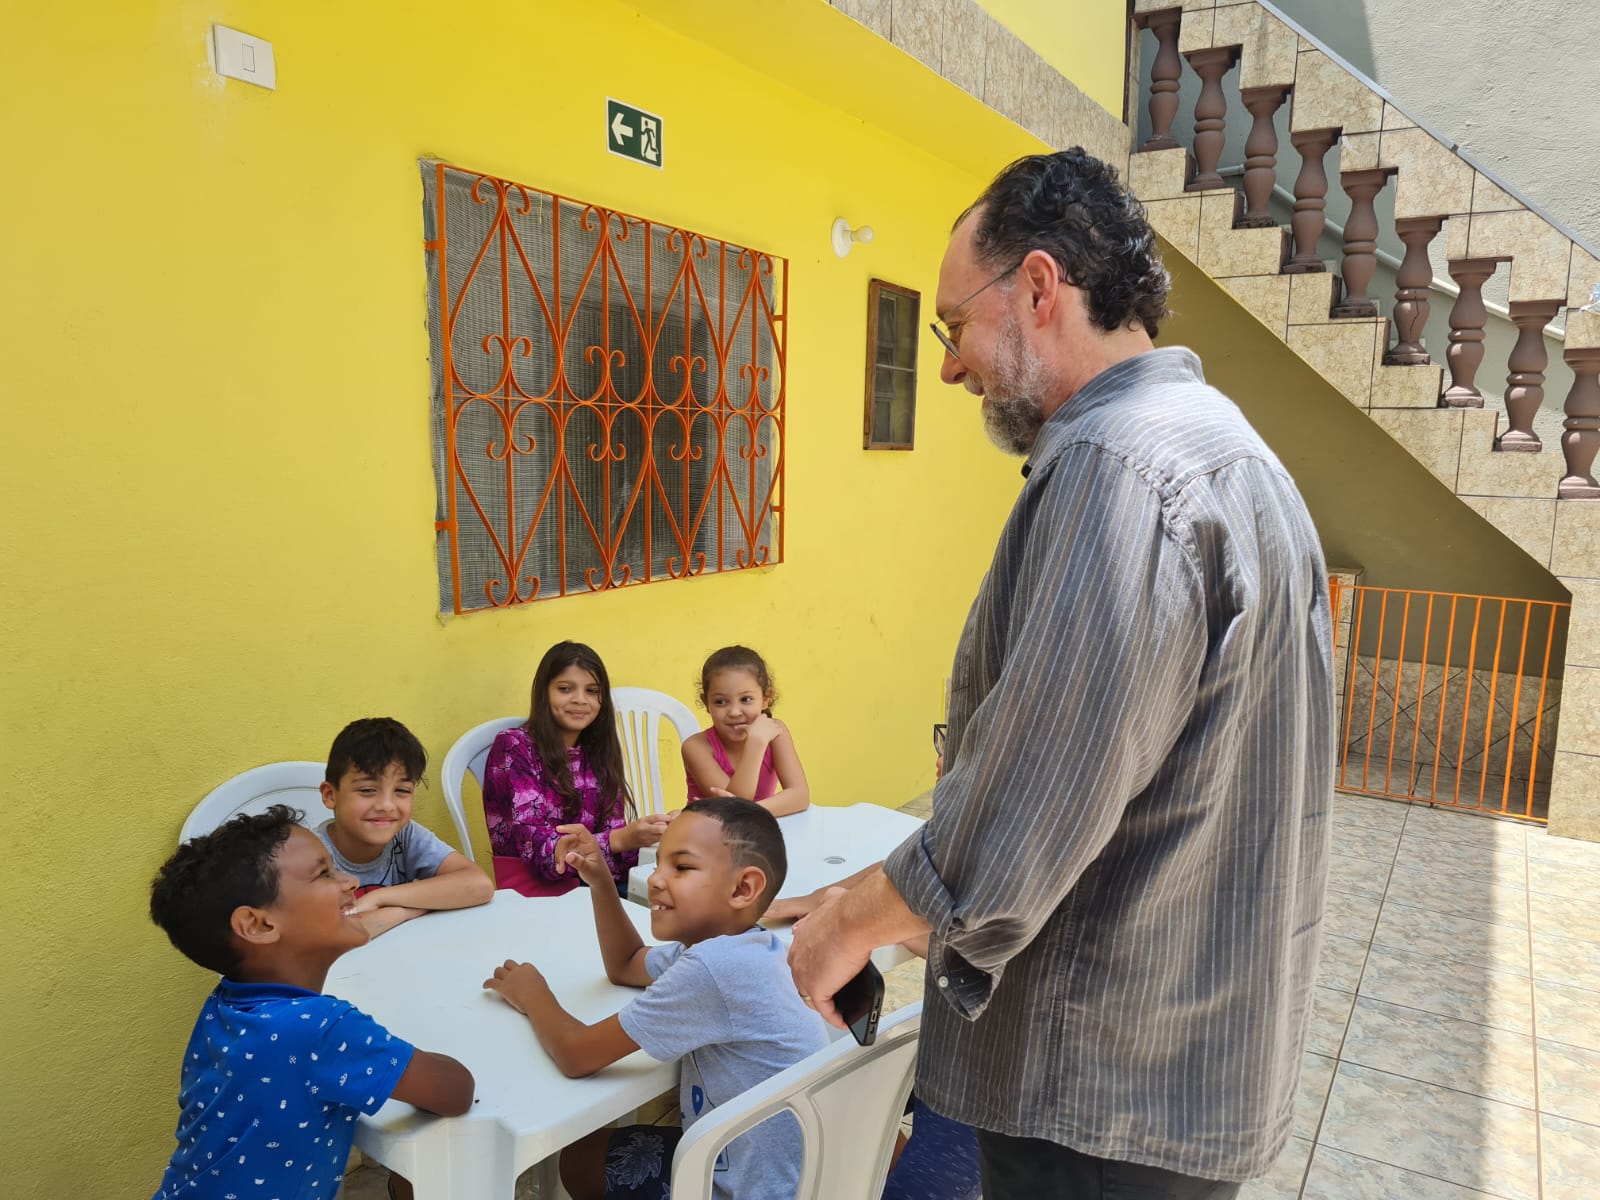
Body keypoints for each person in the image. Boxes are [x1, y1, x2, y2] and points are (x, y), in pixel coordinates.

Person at [788, 148, 1334, 1199]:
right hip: (1190, 1068)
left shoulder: (1117, 467)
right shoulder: (1233, 453)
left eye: (953, 326)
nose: (948, 365)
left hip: (1100, 1088)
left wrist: (845, 929)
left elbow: (1023, 808)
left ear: (1038, 288)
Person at [484, 796, 827, 1200]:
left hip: (747, 1189)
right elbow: (627, 963)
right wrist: (599, 882)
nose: (655, 879)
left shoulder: (714, 969)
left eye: (681, 867)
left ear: (743, 888)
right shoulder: (736, 947)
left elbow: (576, 1055)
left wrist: (533, 994)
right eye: (659, 862)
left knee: (579, 1161)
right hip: (796, 1170)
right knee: (590, 1149)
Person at [148, 805, 474, 1200]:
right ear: (259, 925)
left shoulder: (223, 1006)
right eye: (324, 873)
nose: (350, 882)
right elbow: (455, 1091)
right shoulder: (320, 1027)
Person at [484, 641, 673, 896]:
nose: (581, 700)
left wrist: (654, 832)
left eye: (592, 691)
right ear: (543, 692)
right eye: (565, 689)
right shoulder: (514, 746)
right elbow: (540, 852)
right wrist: (621, 840)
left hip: (592, 884)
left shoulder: (597, 749)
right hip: (536, 897)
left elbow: (617, 854)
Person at [314, 716, 493, 937]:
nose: (387, 806)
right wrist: (407, 909)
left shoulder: (405, 835)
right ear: (330, 795)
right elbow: (331, 938)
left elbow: (479, 885)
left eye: (402, 791)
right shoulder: (310, 855)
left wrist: (379, 898)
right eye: (368, 790)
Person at [682, 645, 810, 815]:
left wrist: (753, 813)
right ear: (706, 703)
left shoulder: (775, 732)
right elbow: (735, 805)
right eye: (720, 702)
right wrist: (756, 744)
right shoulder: (695, 747)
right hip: (704, 834)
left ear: (765, 698)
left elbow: (800, 796)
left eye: (746, 699)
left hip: (754, 832)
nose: (734, 712)